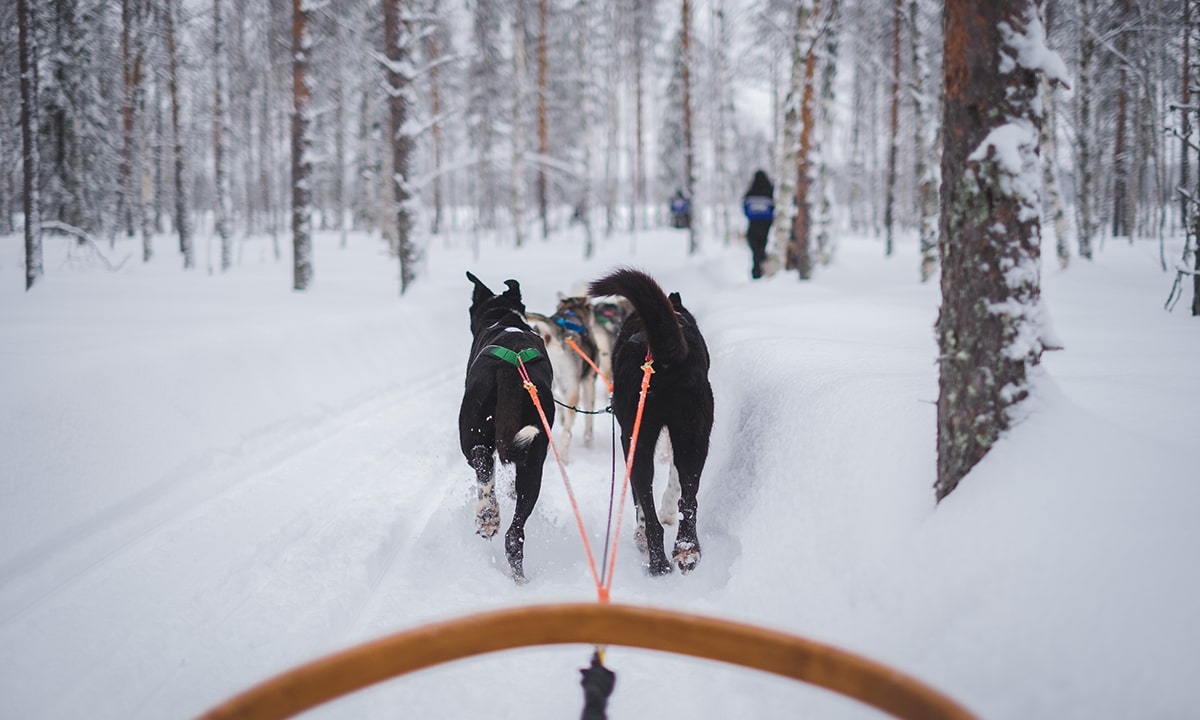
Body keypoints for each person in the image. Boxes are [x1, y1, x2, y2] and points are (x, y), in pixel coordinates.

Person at [742, 170, 775, 279]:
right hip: (766, 227)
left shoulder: (751, 193)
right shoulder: (770, 191)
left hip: (753, 228)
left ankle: (757, 272)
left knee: (756, 252)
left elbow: (745, 209)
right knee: (763, 249)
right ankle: (764, 271)